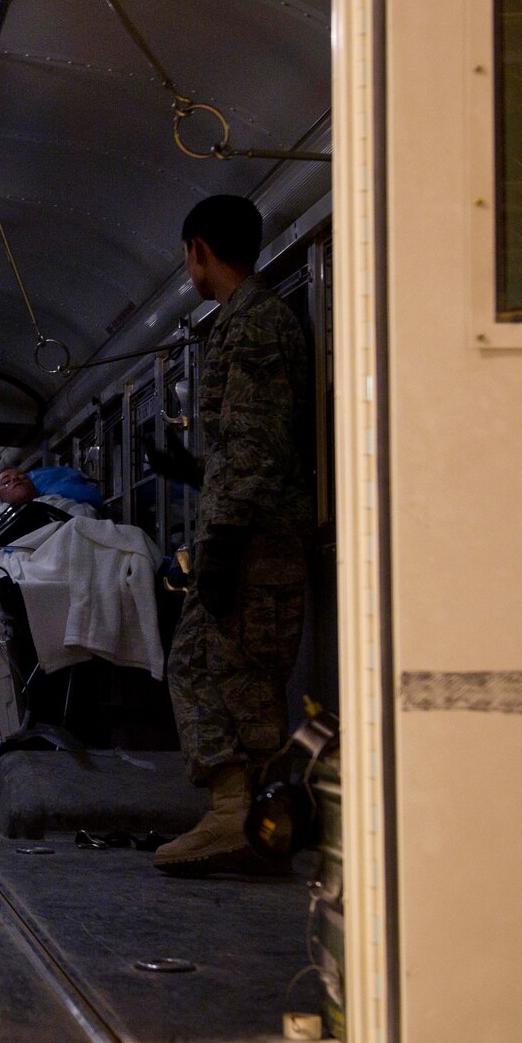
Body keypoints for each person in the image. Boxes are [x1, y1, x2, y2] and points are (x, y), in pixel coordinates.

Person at [144, 194, 312, 874]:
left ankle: (236, 818)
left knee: (226, 676)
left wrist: (218, 549)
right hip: (247, 532)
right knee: (220, 672)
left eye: (187, 256)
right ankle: (245, 817)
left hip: (254, 546)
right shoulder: (244, 324)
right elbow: (249, 444)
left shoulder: (253, 327)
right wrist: (194, 470)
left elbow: (252, 450)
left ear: (198, 250)